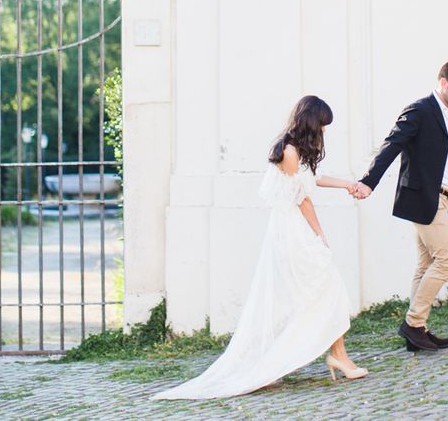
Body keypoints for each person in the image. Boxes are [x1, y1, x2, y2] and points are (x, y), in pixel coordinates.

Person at [153, 95, 367, 400]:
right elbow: (301, 198)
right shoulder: (289, 152)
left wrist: (347, 184)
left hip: (294, 228)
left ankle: (336, 354)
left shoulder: (296, 150)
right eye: (322, 125)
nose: (324, 131)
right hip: (292, 230)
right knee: (320, 287)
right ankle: (317, 358)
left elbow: (313, 180)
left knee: (321, 289)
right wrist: (320, 234)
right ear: (311, 122)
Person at [355, 59, 448, 352]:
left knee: (426, 264)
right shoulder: (420, 110)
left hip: (445, 198)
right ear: (443, 82)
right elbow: (392, 144)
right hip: (426, 197)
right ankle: (412, 323)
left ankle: (418, 331)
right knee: (447, 260)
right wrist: (368, 182)